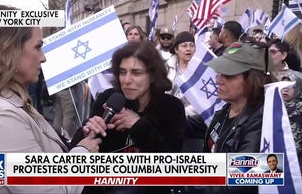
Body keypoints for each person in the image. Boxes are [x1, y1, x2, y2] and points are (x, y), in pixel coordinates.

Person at [0, 5, 101, 194]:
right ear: (9, 50)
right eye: (38, 47)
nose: (43, 58)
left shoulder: (3, 102)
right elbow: (50, 190)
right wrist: (83, 154)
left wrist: (80, 139)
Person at [70, 41, 187, 194]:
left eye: (136, 73)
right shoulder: (109, 99)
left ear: (152, 76)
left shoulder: (170, 107)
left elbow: (172, 162)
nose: (126, 80)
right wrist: (86, 132)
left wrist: (139, 126)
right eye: (122, 72)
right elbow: (77, 156)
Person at [189, 40, 275, 194]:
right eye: (219, 73)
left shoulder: (263, 122)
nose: (218, 80)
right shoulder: (225, 109)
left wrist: (182, 184)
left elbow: (241, 179)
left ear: (251, 79)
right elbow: (185, 125)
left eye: (228, 75)